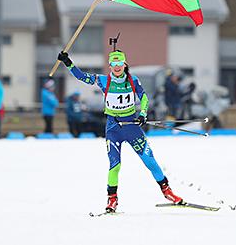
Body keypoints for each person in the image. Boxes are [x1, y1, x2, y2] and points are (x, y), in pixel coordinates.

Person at [58, 49, 183, 213]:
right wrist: (68, 62)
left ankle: (168, 192)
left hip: (132, 126)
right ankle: (112, 200)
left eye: (119, 63)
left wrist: (143, 114)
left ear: (125, 64)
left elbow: (144, 97)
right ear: (110, 66)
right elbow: (82, 77)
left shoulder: (133, 80)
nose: (117, 67)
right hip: (113, 128)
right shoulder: (104, 81)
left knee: (150, 161)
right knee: (114, 165)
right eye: (113, 64)